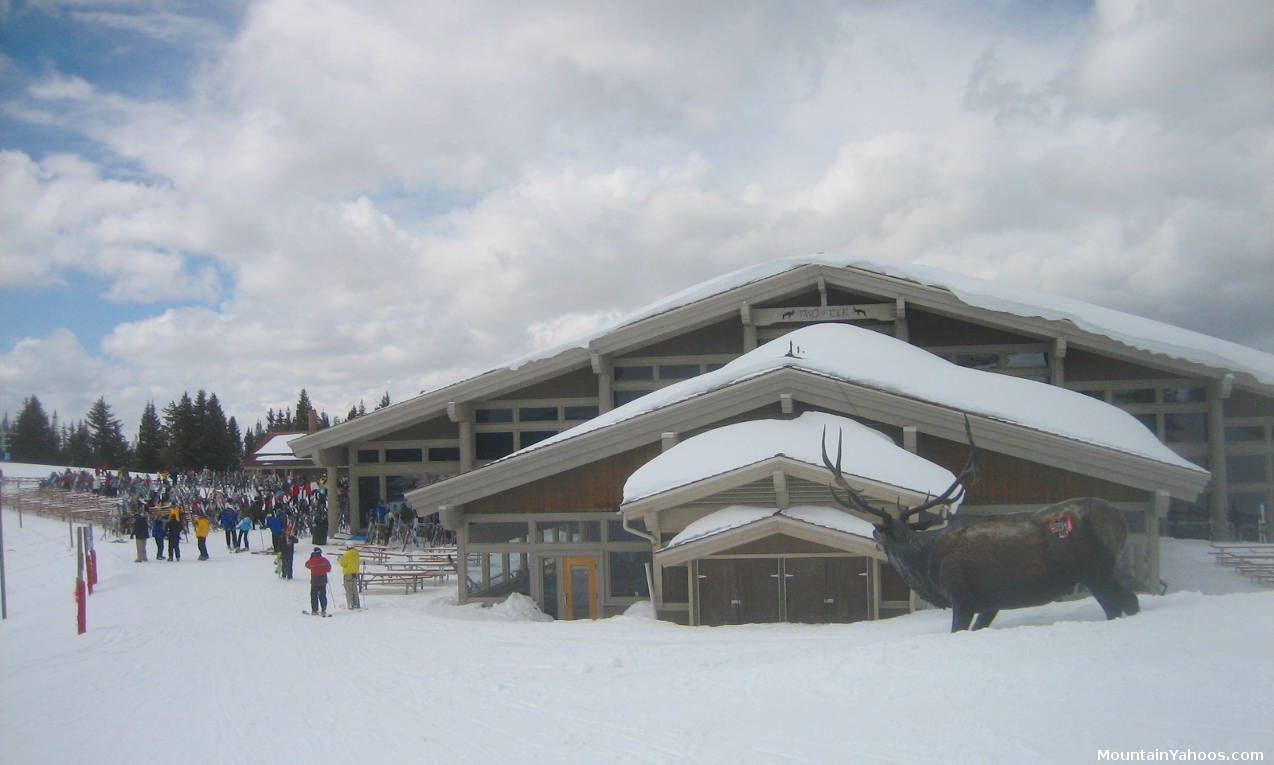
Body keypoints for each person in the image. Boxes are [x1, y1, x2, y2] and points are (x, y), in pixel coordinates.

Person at [304, 547, 332, 615]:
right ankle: (323, 609)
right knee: (322, 595)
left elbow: (306, 565)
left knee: (314, 595)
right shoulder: (324, 560)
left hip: (314, 580)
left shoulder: (312, 561)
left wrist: (311, 558)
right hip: (323, 580)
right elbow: (328, 569)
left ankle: (315, 610)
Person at [339, 543, 360, 610]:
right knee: (354, 589)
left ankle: (350, 604)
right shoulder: (357, 553)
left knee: (348, 589)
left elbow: (343, 564)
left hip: (348, 573)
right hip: (355, 573)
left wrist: (340, 559)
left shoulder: (346, 554)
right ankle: (356, 603)